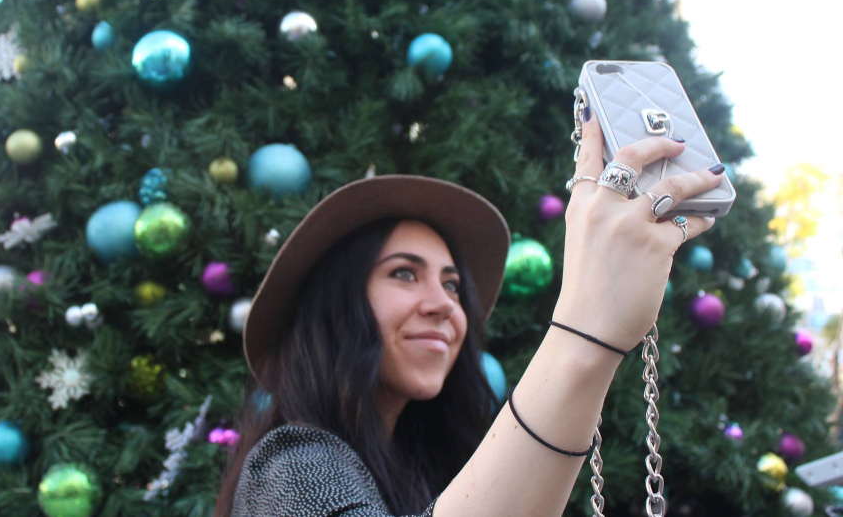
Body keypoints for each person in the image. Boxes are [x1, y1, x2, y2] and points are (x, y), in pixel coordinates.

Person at [211, 107, 725, 517]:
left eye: (453, 285)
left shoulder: (442, 477)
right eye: (404, 273)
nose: (444, 305)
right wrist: (586, 330)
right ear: (335, 307)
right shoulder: (290, 466)